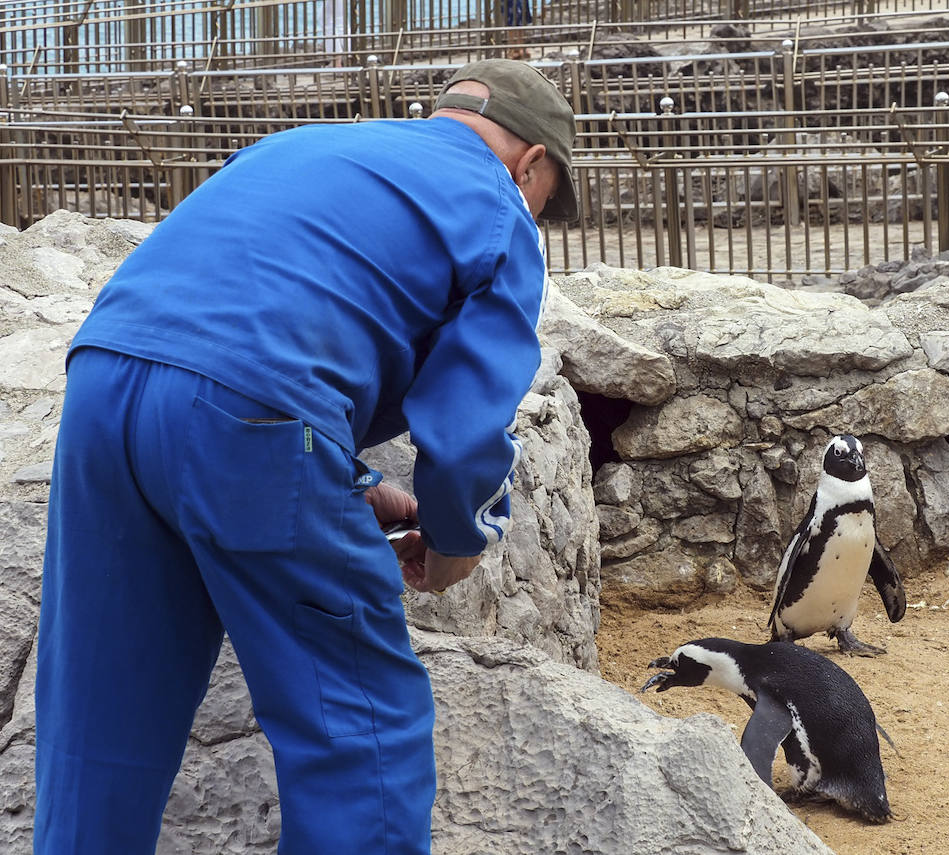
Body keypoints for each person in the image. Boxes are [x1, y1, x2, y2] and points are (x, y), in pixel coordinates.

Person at [33, 59, 577, 854]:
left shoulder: (307, 145)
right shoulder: (498, 209)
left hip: (103, 385)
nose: (537, 213)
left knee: (101, 717)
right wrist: (460, 538)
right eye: (547, 198)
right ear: (531, 164)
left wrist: (351, 484)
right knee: (362, 735)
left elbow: (235, 325)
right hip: (247, 418)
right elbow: (464, 428)